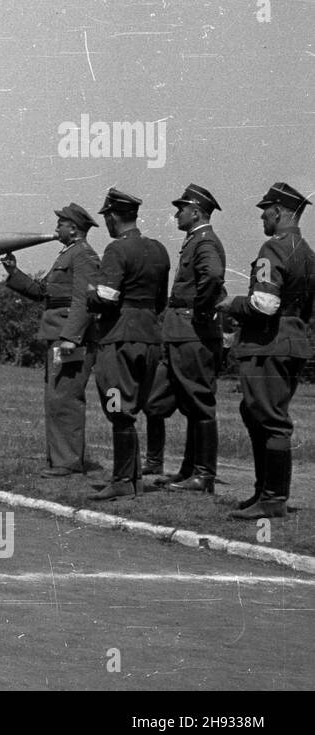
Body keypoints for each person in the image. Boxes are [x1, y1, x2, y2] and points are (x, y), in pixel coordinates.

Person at [224, 182, 313, 520]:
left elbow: (264, 304)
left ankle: (273, 498)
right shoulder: (305, 251)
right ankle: (265, 492)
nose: (262, 215)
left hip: (267, 345)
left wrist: (231, 304)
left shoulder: (273, 249)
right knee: (256, 412)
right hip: (292, 340)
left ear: (278, 211)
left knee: (270, 419)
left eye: (265, 209)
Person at [1, 203, 102, 477]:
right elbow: (43, 292)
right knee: (56, 397)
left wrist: (71, 337)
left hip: (69, 338)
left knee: (64, 398)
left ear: (74, 228)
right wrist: (14, 272)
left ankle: (67, 463)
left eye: (61, 223)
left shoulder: (82, 255)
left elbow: (84, 299)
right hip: (60, 335)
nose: (57, 227)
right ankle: (61, 460)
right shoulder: (68, 254)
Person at [84, 188, 170, 501]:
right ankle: (131, 477)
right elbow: (161, 300)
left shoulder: (116, 250)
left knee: (116, 404)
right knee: (131, 406)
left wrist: (90, 295)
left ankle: (122, 479)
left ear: (112, 216)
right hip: (149, 336)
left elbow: (107, 298)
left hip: (118, 337)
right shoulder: (159, 250)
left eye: (106, 216)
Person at [142, 184, 226, 493]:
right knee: (160, 400)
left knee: (199, 403)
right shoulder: (195, 241)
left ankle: (203, 475)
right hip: (180, 334)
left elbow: (214, 277)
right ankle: (188, 470)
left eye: (181, 209)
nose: (177, 214)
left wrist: (200, 308)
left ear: (196, 212)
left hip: (193, 333)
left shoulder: (204, 242)